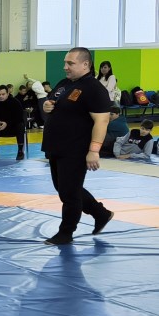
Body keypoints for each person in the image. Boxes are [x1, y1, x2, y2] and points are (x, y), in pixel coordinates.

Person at [41, 47, 113, 245]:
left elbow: (102, 121)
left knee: (70, 193)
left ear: (85, 64)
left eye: (70, 63)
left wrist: (94, 150)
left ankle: (66, 232)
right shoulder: (65, 84)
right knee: (64, 188)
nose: (65, 67)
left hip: (75, 148)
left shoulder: (94, 89)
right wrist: (47, 105)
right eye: (65, 62)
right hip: (57, 146)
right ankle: (100, 213)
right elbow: (53, 102)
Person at [0, 85, 26, 160]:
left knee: (20, 125)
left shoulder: (15, 102)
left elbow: (19, 118)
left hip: (12, 127)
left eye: (3, 94)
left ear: (8, 93)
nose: (1, 96)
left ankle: (20, 151)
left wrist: (7, 123)